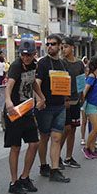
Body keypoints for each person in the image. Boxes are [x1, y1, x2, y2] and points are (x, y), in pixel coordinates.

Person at [4, 38, 45, 194]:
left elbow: (33, 82)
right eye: (23, 54)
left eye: (29, 55)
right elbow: (9, 87)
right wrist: (8, 102)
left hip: (27, 109)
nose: (26, 57)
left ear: (34, 54)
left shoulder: (34, 65)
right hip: (14, 111)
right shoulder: (15, 66)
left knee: (34, 143)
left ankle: (24, 177)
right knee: (15, 147)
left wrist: (41, 97)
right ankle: (13, 182)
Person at [34, 34, 71, 183]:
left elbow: (65, 83)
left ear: (59, 46)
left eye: (53, 44)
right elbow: (36, 83)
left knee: (57, 138)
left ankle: (54, 170)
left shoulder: (63, 64)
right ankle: (44, 165)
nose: (50, 46)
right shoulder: (42, 63)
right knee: (44, 137)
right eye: (47, 44)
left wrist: (66, 98)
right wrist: (39, 100)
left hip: (60, 106)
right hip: (46, 107)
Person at [60, 37, 84, 169]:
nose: (63, 49)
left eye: (66, 46)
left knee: (73, 129)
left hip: (76, 100)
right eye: (62, 47)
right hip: (65, 101)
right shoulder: (61, 63)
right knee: (66, 128)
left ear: (72, 47)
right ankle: (56, 155)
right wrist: (64, 99)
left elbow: (81, 80)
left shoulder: (79, 63)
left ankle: (68, 157)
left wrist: (82, 96)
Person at [82, 57, 97, 159]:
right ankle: (86, 147)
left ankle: (92, 149)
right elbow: (85, 90)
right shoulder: (92, 76)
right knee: (96, 128)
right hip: (91, 105)